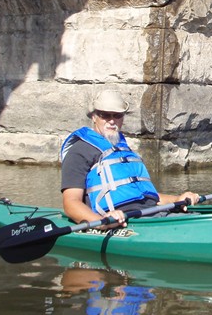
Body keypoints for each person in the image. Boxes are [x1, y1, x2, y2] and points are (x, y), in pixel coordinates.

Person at [60, 89, 199, 227]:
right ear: (94, 116)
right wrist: (101, 223)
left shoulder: (122, 148)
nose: (112, 121)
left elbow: (148, 196)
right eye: (105, 115)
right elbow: (71, 203)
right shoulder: (78, 152)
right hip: (122, 220)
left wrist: (177, 199)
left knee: (198, 219)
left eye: (117, 115)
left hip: (154, 213)